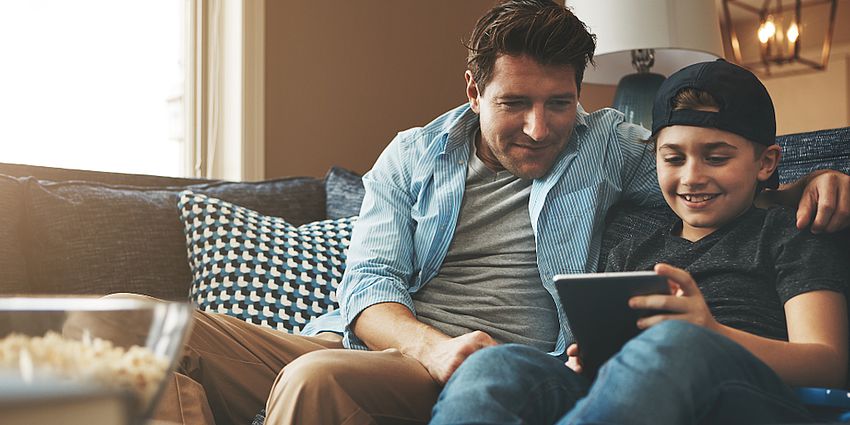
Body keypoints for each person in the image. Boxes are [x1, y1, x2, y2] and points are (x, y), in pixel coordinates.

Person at [142, 1, 850, 424]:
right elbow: (368, 286)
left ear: (583, 97)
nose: (540, 128)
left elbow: (714, 175)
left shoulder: (611, 148)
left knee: (317, 380)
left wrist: (813, 181)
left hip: (486, 358)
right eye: (515, 103)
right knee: (139, 329)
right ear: (475, 91)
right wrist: (431, 343)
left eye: (560, 104)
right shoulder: (412, 155)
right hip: (379, 342)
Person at [429, 59, 850, 425]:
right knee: (495, 364)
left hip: (748, 394)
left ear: (766, 163)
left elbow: (828, 363)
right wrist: (590, 357)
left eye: (717, 157)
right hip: (631, 392)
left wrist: (711, 333)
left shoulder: (788, 234)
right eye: (673, 158)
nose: (691, 177)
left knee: (674, 343)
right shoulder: (632, 248)